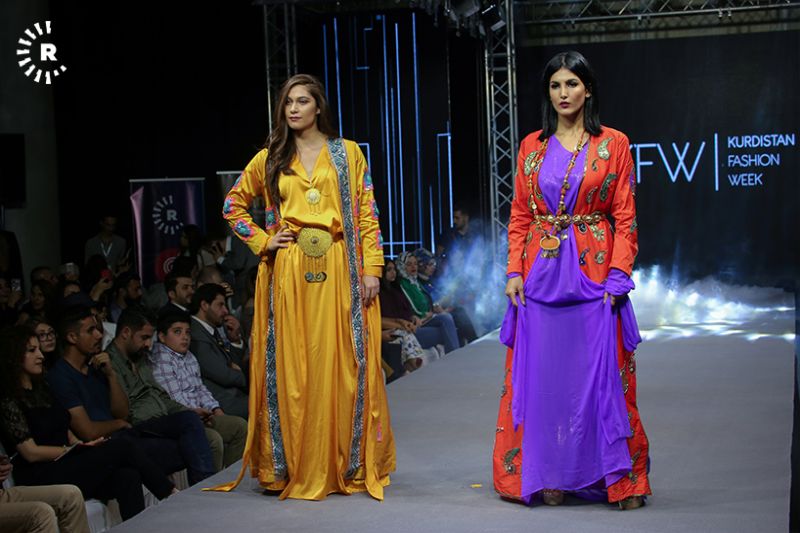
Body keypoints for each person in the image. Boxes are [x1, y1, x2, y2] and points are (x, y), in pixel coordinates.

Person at [216, 73, 395, 501]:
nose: (293, 109)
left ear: (318, 106)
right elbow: (232, 204)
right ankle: (291, 466)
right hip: (291, 268)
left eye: (301, 101)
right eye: (288, 103)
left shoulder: (347, 153)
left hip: (339, 265)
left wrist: (372, 267)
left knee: (342, 361)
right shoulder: (271, 157)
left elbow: (367, 213)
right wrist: (263, 240)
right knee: (295, 365)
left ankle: (345, 465)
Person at [495, 51, 650, 509]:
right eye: (555, 85)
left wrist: (619, 274)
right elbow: (520, 214)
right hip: (539, 277)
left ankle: (621, 479)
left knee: (604, 377)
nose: (563, 93)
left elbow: (625, 215)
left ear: (588, 89)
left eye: (572, 84)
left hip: (595, 273)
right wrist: (513, 270)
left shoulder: (613, 143)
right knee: (545, 380)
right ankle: (551, 473)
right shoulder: (531, 146)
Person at [0, 326, 175, 522]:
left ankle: (139, 527)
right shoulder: (8, 400)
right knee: (122, 446)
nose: (40, 355)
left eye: (39, 349)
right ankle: (170, 494)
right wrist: (72, 450)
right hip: (40, 473)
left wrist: (80, 446)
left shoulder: (43, 389)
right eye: (32, 351)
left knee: (128, 476)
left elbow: (64, 428)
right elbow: (30, 452)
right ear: (14, 356)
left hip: (65, 462)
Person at [104, 309, 216, 482]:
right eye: (144, 337)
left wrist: (188, 411)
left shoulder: (140, 357)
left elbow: (161, 396)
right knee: (190, 432)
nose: (149, 344)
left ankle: (206, 485)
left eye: (151, 338)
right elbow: (123, 412)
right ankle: (203, 488)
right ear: (126, 333)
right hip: (139, 424)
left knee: (191, 421)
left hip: (161, 419)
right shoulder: (109, 363)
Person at [150, 312, 247, 471]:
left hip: (202, 415)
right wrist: (197, 414)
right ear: (161, 337)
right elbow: (174, 398)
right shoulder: (161, 359)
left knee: (239, 426)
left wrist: (215, 408)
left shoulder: (189, 357)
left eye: (188, 332)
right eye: (177, 332)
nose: (185, 337)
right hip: (182, 419)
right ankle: (213, 483)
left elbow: (200, 389)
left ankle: (231, 478)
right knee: (214, 439)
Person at [188, 284, 248, 419]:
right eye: (220, 305)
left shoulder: (211, 330)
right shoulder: (196, 335)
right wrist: (243, 375)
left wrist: (234, 340)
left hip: (236, 395)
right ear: (204, 305)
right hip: (223, 402)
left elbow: (233, 362)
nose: (226, 311)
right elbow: (224, 375)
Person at [395, 252, 460, 353]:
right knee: (448, 328)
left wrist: (433, 311)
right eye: (409, 264)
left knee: (447, 319)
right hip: (417, 323)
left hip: (426, 319)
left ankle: (456, 355)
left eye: (415, 263)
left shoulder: (415, 282)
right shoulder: (403, 284)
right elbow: (412, 307)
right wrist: (425, 314)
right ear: (401, 266)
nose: (413, 267)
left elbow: (428, 302)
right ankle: (456, 356)